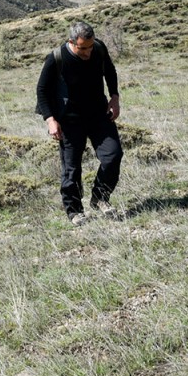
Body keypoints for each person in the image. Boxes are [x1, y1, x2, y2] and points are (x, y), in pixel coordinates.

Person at [35, 21, 122, 225]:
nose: (88, 52)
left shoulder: (98, 48)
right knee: (71, 168)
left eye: (90, 46)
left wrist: (115, 97)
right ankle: (74, 211)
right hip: (70, 120)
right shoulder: (57, 58)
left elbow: (109, 71)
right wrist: (50, 120)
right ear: (71, 42)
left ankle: (100, 197)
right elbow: (42, 90)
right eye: (83, 48)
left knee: (113, 155)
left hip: (99, 114)